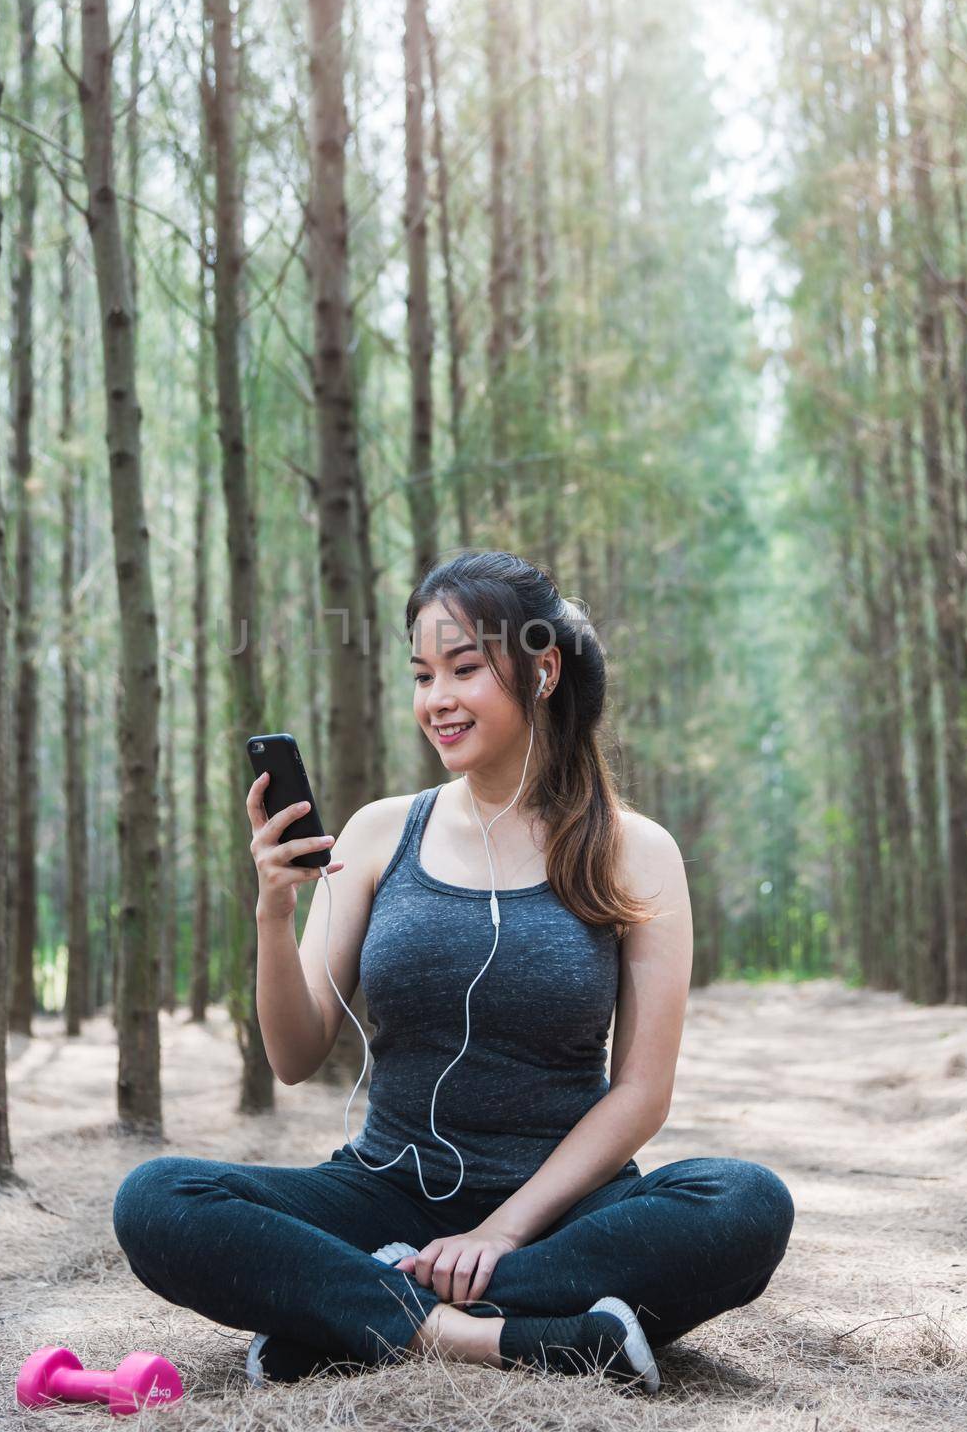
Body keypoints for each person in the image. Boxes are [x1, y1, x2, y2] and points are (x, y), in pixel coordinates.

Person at [112, 550, 794, 1390]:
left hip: (562, 1214)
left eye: (464, 669)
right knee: (156, 1199)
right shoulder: (375, 835)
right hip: (382, 1199)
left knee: (746, 1202)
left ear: (541, 670)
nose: (436, 700)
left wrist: (501, 1233)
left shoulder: (635, 851)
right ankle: (505, 1336)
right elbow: (293, 1057)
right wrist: (273, 909)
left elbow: (641, 1095)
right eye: (422, 674)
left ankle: (353, 1318)